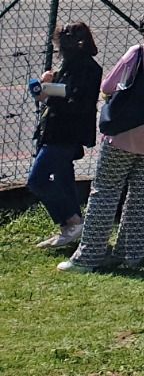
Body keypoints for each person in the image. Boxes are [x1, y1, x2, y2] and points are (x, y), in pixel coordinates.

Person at [60, 9, 144, 273]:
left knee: (105, 192)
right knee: (141, 195)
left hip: (128, 133)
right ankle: (131, 254)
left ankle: (88, 257)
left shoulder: (139, 52)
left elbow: (108, 86)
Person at [29, 22, 103, 251]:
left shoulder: (85, 68)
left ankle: (72, 221)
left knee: (37, 180)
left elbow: (75, 100)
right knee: (63, 178)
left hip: (65, 133)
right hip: (56, 130)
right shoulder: (71, 65)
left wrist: (49, 90)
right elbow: (63, 93)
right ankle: (70, 228)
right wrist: (48, 84)